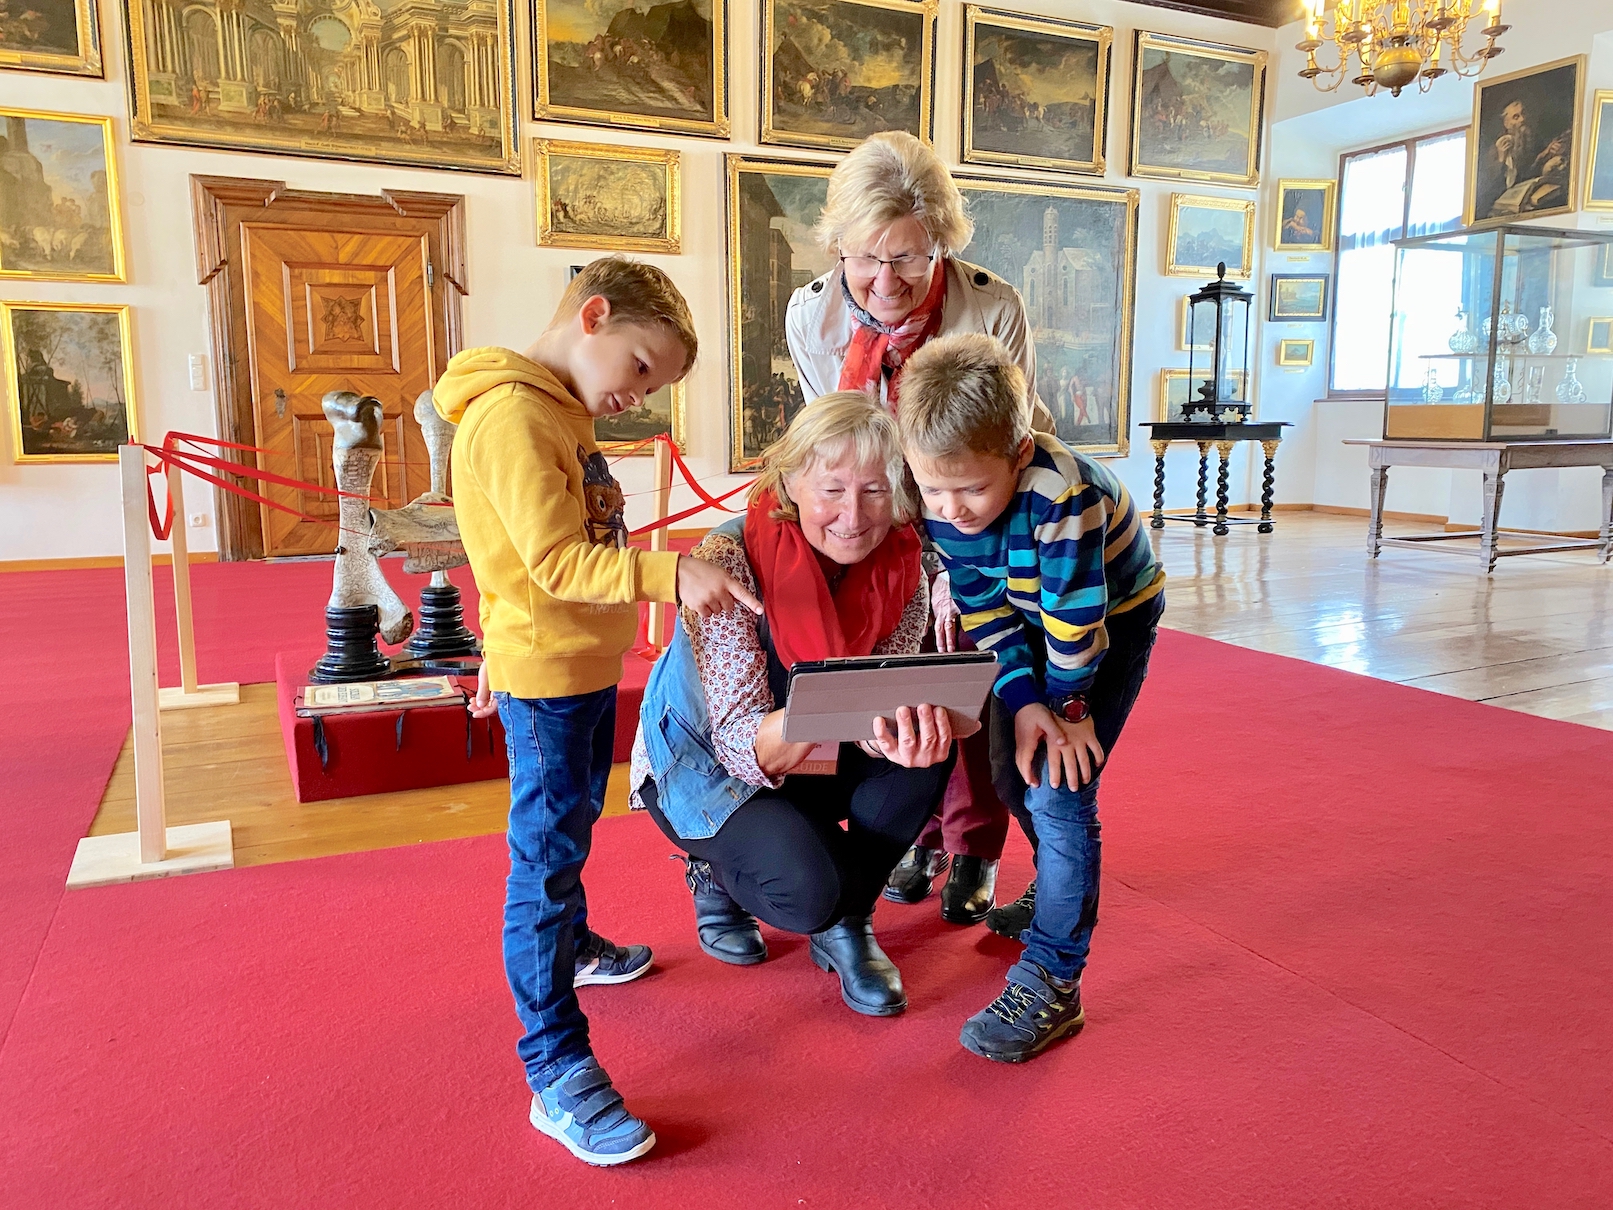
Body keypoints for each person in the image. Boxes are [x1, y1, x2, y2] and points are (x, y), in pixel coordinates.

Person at [438, 257, 760, 1166]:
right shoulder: (511, 415)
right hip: (547, 675)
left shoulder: (556, 408)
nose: (641, 394)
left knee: (572, 821)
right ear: (593, 316)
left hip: (567, 664)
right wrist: (672, 573)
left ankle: (572, 945)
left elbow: (526, 550)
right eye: (642, 368)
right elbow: (552, 563)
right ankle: (554, 1064)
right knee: (542, 860)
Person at [784, 129, 1055, 928]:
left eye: (908, 258)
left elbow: (1007, 442)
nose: (883, 281)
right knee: (891, 673)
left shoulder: (991, 305)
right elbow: (827, 429)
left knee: (973, 669)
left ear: (940, 244)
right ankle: (923, 834)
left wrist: (962, 553)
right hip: (877, 511)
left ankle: (975, 845)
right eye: (864, 258)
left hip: (973, 506)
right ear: (837, 247)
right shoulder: (813, 314)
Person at [630, 392, 961, 1017]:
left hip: (817, 750)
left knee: (929, 747)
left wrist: (901, 731)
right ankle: (716, 870)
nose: (853, 517)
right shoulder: (728, 559)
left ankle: (848, 922)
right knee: (806, 893)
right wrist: (848, 704)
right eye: (831, 489)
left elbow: (873, 708)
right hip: (712, 772)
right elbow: (737, 744)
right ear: (790, 483)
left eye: (874, 492)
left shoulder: (903, 563)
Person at [896, 332, 1166, 1064]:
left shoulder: (1059, 494)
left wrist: (1065, 712)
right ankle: (1056, 886)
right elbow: (984, 610)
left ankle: (1054, 977)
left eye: (971, 489)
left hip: (1105, 620)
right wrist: (1021, 703)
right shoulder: (943, 504)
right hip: (1020, 613)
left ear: (1018, 453)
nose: (952, 510)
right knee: (1008, 769)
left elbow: (1074, 625)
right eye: (933, 491)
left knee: (1056, 787)